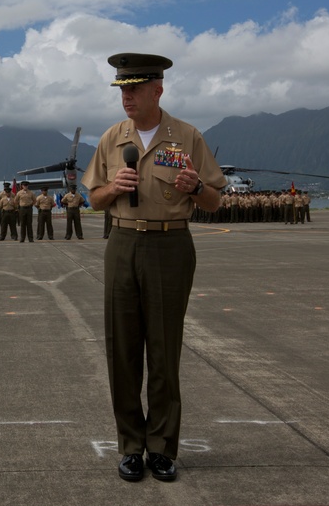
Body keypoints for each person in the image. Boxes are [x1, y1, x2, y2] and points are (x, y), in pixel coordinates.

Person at [82, 52, 224, 483]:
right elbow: (93, 199)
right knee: (122, 350)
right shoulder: (111, 138)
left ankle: (161, 448)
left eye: (134, 89)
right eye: (122, 90)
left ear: (157, 90)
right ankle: (130, 446)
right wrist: (111, 188)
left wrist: (197, 186)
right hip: (122, 242)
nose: (126, 97)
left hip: (170, 243)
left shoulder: (186, 137)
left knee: (164, 350)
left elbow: (214, 201)